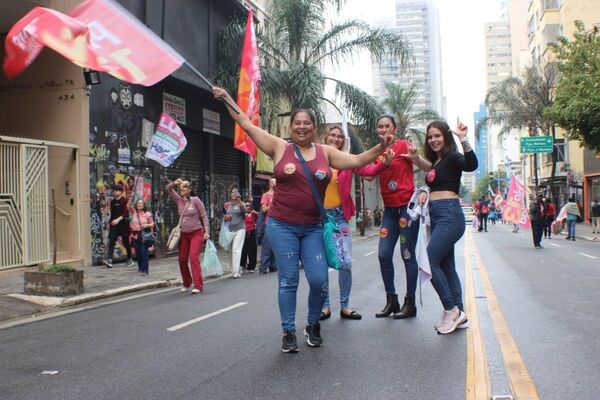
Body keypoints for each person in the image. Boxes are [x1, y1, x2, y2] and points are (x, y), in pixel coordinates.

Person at [212, 86, 393, 353]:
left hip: (312, 229)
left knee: (319, 280)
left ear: (314, 127)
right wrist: (226, 97)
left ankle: (312, 324)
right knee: (288, 281)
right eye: (297, 123)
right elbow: (246, 124)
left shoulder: (325, 153)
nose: (302, 127)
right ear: (291, 126)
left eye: (307, 123)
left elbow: (356, 160)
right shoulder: (278, 147)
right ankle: (288, 332)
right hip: (281, 226)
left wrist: (382, 146)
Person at [404, 118, 478, 334]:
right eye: (430, 137)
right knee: (446, 267)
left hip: (448, 214)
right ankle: (460, 315)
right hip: (437, 216)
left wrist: (463, 138)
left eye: (437, 135)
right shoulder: (439, 162)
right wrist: (416, 158)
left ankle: (450, 309)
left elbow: (472, 165)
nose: (434, 139)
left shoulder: (454, 157)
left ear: (446, 137)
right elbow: (432, 172)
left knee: (428, 262)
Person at [319, 124, 392, 321]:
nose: (336, 139)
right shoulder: (316, 158)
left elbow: (368, 170)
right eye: (332, 135)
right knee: (320, 265)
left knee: (345, 263)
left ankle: (345, 306)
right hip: (318, 219)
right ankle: (324, 306)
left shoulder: (347, 160)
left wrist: (384, 163)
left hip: (340, 217)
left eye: (339, 137)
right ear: (325, 138)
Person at [372, 115, 420, 320]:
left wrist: (415, 158)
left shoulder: (404, 145)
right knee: (383, 255)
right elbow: (367, 173)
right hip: (389, 212)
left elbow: (420, 163)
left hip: (406, 210)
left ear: (395, 128)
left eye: (387, 126)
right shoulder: (376, 151)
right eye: (380, 127)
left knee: (407, 254)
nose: (384, 130)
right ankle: (392, 300)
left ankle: (410, 303)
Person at [167, 179, 210, 293]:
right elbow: (168, 189)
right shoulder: (178, 200)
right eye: (181, 188)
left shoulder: (195, 200)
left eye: (184, 187)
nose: (181, 189)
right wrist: (175, 183)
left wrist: (206, 231)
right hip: (184, 235)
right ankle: (186, 282)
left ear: (189, 190)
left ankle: (198, 286)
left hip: (196, 233)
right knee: (182, 259)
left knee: (193, 258)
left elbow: (204, 215)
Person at [103, 184, 134, 268]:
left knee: (126, 242)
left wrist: (117, 220)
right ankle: (110, 260)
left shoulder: (125, 201)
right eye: (114, 190)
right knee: (112, 241)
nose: (114, 192)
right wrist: (109, 223)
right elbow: (112, 214)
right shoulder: (112, 202)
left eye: (116, 190)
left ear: (120, 191)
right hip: (114, 226)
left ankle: (130, 258)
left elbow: (125, 213)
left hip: (124, 226)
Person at [224, 188, 247, 279]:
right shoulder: (227, 205)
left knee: (236, 250)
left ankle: (236, 272)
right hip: (230, 230)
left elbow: (245, 211)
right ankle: (233, 269)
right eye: (232, 192)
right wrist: (226, 218)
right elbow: (225, 216)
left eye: (236, 192)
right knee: (229, 250)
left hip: (240, 228)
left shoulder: (241, 204)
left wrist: (239, 200)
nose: (234, 194)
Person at [130, 199, 154, 275]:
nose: (139, 204)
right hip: (135, 236)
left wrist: (146, 225)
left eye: (141, 203)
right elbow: (128, 205)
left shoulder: (147, 214)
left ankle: (145, 270)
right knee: (138, 254)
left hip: (143, 236)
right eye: (138, 203)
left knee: (144, 253)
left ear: (144, 205)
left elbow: (152, 224)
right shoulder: (134, 212)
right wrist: (131, 197)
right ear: (136, 205)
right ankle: (140, 268)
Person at [258, 179, 277, 274]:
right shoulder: (265, 195)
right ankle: (263, 267)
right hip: (268, 223)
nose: (276, 183)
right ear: (270, 184)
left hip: (278, 223)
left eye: (276, 182)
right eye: (274, 182)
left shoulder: (279, 195)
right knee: (267, 246)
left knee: (275, 245)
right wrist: (273, 205)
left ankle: (273, 266)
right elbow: (264, 209)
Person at [240, 199, 258, 273]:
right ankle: (243, 265)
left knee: (252, 250)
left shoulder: (253, 213)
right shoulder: (241, 214)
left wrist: (256, 213)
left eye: (248, 206)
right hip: (244, 233)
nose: (247, 207)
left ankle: (252, 267)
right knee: (243, 250)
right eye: (246, 206)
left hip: (252, 232)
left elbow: (259, 219)